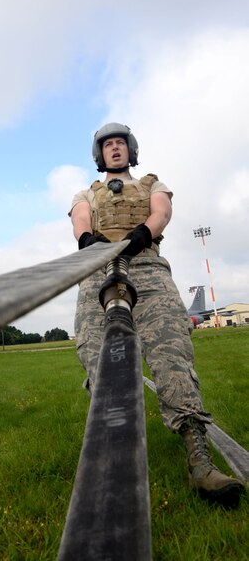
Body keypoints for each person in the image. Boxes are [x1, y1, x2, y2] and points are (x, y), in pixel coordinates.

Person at [69, 122, 245, 507]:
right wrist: (87, 240)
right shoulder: (86, 192)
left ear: (131, 150)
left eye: (120, 144)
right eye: (107, 145)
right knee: (98, 359)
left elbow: (161, 213)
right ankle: (115, 458)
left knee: (172, 356)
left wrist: (142, 236)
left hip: (146, 266)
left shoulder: (152, 184)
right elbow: (81, 217)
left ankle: (200, 461)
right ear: (99, 155)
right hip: (98, 267)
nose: (114, 149)